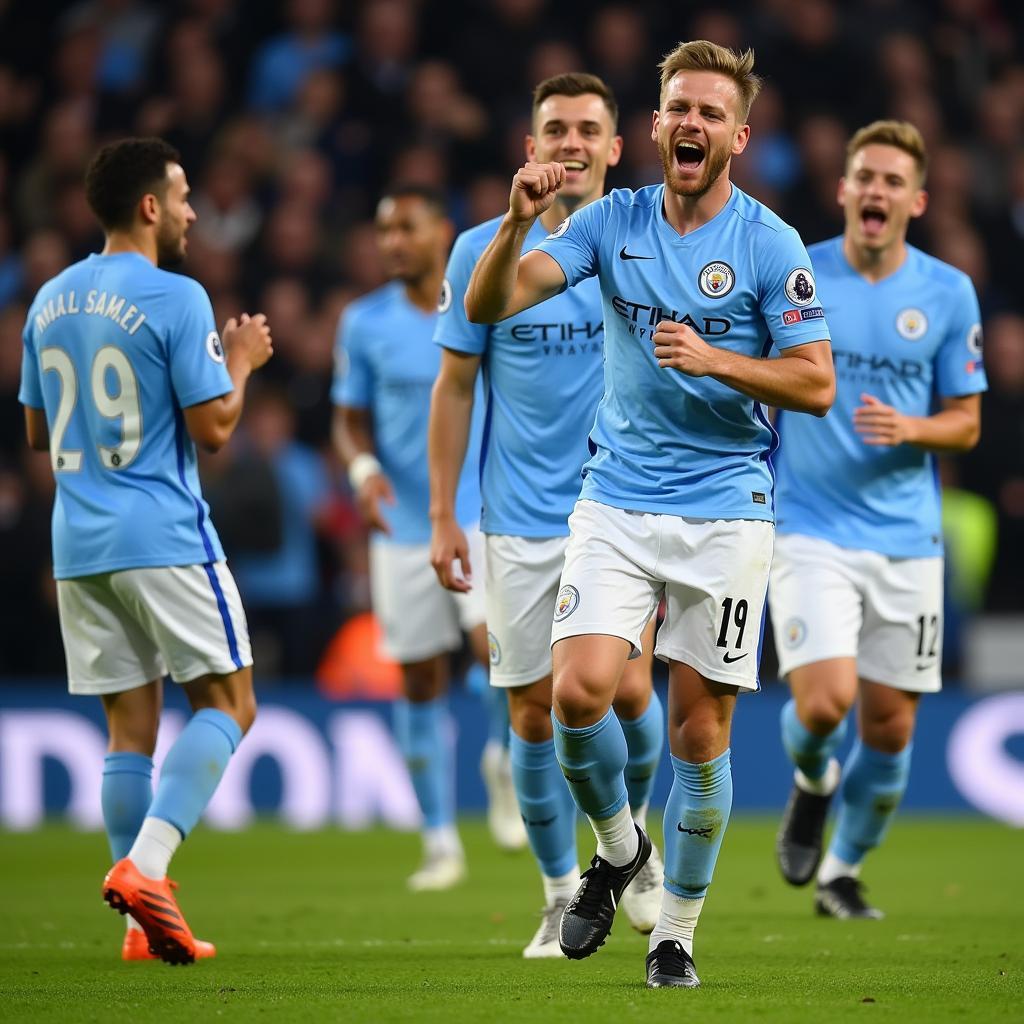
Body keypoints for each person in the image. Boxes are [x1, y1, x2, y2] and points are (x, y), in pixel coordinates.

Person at [465, 40, 835, 989]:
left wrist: (720, 362)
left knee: (697, 738)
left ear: (739, 136)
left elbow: (817, 384)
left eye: (712, 112)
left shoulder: (769, 244)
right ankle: (621, 847)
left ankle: (676, 933)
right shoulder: (612, 221)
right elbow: (491, 300)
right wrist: (511, 224)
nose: (692, 123)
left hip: (726, 509)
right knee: (574, 695)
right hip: (619, 498)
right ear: (657, 123)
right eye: (679, 107)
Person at [17, 137, 273, 965]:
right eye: (185, 195)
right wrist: (239, 361)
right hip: (159, 531)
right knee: (230, 704)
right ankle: (149, 870)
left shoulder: (47, 300)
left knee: (130, 729)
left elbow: (33, 430)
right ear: (151, 206)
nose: (195, 211)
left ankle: (138, 932)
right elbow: (216, 428)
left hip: (78, 541)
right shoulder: (177, 297)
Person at [429, 72, 666, 959]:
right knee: (531, 713)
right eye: (554, 129)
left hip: (624, 506)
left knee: (627, 689)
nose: (570, 143)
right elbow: (454, 388)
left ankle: (626, 836)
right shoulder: (479, 254)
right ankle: (560, 889)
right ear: (531, 147)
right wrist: (443, 514)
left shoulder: (648, 245)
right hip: (516, 519)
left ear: (615, 147)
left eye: (588, 130)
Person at [770, 120, 986, 918]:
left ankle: (841, 873)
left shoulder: (946, 292)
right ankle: (813, 776)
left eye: (894, 181)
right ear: (843, 188)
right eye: (865, 176)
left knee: (891, 729)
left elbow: (965, 421)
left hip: (905, 537)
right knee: (825, 705)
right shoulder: (799, 276)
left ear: (916, 201)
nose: (876, 191)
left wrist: (914, 429)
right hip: (808, 526)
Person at [332, 185, 524, 893]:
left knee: (493, 652)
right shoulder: (362, 323)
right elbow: (347, 417)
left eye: (405, 228)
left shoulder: (482, 300)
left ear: (440, 232)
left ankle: (503, 761)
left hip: (479, 511)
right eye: (384, 231)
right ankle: (440, 841)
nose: (392, 243)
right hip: (402, 528)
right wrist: (361, 468)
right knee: (418, 680)